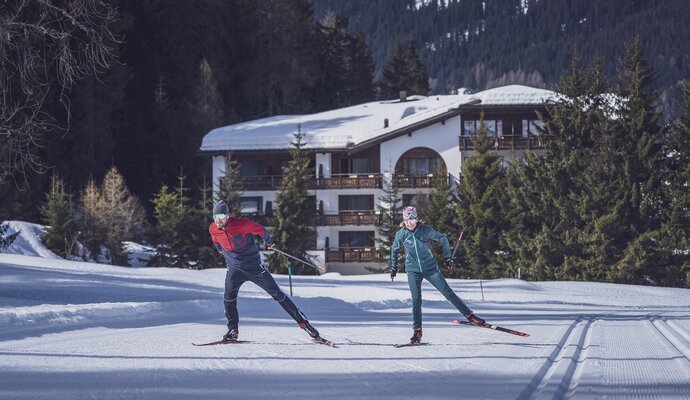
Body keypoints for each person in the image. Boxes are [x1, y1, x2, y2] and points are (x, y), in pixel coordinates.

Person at [209, 200, 320, 341]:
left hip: (254, 267)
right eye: (215, 217)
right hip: (234, 269)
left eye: (221, 217)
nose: (218, 221)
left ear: (228, 216)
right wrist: (223, 252)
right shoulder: (213, 228)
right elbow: (216, 241)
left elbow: (261, 230)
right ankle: (232, 330)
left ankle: (305, 325)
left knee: (278, 294)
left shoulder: (241, 224)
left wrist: (269, 242)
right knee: (228, 298)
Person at [390, 206, 486, 343]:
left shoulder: (425, 230)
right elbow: (394, 249)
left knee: (448, 293)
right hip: (413, 270)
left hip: (430, 268)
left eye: (412, 219)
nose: (409, 222)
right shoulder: (401, 234)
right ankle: (417, 331)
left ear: (416, 219)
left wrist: (448, 257)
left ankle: (470, 316)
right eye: (406, 219)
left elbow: (442, 238)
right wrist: (393, 267)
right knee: (416, 300)